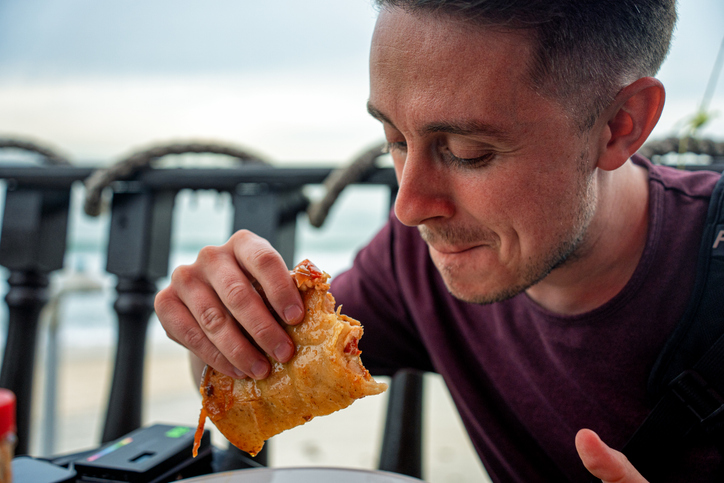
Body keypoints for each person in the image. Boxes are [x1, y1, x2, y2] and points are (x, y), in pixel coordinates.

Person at [155, 1, 722, 481]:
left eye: (467, 151)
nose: (409, 207)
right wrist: (222, 319)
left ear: (621, 123)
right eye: (394, 140)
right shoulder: (415, 263)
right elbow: (248, 372)